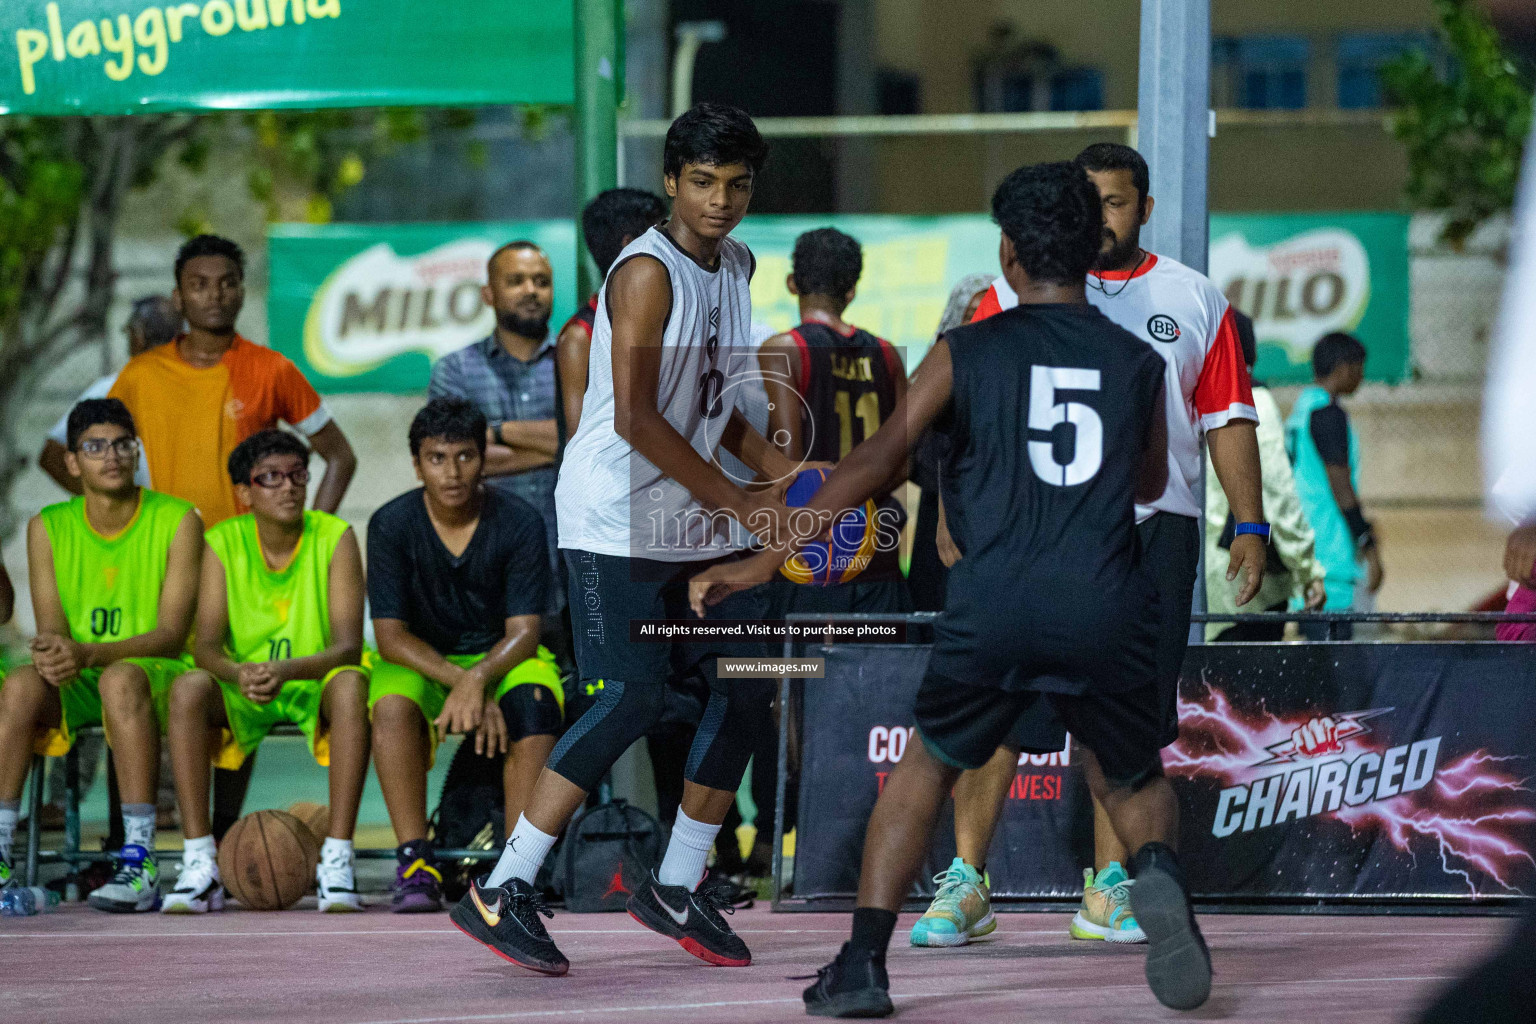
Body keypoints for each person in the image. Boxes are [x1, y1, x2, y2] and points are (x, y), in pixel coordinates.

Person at [691, 161, 1211, 1016]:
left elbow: (873, 462)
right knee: (1133, 772)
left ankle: (862, 964)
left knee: (927, 765)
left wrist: (760, 559)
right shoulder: (1133, 358)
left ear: (1008, 252)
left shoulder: (968, 348)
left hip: (997, 596)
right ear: (1091, 248)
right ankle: (1154, 877)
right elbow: (1151, 476)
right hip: (1103, 595)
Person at [449, 102, 796, 976]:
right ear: (673, 183)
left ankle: (678, 882)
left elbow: (711, 406)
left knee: (749, 681)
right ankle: (506, 884)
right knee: (634, 696)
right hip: (612, 514)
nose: (721, 200)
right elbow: (640, 417)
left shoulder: (740, 262)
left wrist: (779, 480)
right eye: (704, 183)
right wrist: (746, 503)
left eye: (738, 184)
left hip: (686, 512)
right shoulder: (646, 274)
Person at [917, 141, 1265, 948]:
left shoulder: (1194, 297)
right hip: (1028, 530)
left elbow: (1227, 418)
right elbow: (955, 420)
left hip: (1157, 526)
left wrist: (1248, 524)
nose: (1101, 215)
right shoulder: (1009, 296)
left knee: (1130, 721)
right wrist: (946, 516)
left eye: (1117, 201)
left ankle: (1109, 890)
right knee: (1002, 707)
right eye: (1088, 201)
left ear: (1144, 208)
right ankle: (966, 884)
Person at [0, 400, 202, 909]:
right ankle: (0, 854)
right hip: (84, 671)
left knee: (121, 679)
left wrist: (88, 653)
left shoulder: (178, 519)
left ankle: (139, 860)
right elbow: (52, 632)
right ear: (71, 463)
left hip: (156, 673)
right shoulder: (47, 526)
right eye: (94, 447)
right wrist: (56, 656)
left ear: (136, 454)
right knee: (22, 684)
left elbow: (173, 634)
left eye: (121, 445)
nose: (110, 456)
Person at [161, 431, 370, 914]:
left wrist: (286, 669)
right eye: (271, 478)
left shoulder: (334, 536)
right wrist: (238, 674)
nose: (289, 487)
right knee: (189, 687)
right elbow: (207, 647)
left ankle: (337, 858)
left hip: (312, 679)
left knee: (352, 684)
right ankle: (200, 860)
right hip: (245, 684)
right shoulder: (221, 542)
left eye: (298, 475)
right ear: (244, 492)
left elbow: (347, 646)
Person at [367, 399, 563, 913]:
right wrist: (464, 681)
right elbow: (390, 637)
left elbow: (525, 631)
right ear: (416, 464)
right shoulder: (391, 525)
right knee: (390, 710)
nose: (451, 472)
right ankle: (415, 861)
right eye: (436, 458)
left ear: (484, 458)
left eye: (464, 456)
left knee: (536, 705)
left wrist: (478, 678)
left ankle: (519, 870)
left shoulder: (519, 521)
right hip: (424, 661)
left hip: (502, 658)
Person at [109, 235, 356, 527]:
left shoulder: (272, 369)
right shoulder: (141, 375)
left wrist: (309, 537)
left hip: (248, 558)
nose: (215, 295)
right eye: (199, 285)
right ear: (178, 298)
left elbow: (340, 456)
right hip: (169, 555)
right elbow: (96, 456)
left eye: (226, 283)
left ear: (241, 292)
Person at [429, 242, 562, 607]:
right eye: (516, 281)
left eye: (541, 281)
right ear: (488, 293)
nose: (531, 291)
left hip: (575, 557)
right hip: (489, 560)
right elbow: (452, 464)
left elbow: (597, 445)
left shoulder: (578, 360)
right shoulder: (455, 370)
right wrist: (562, 449)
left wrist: (497, 432)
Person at [1206, 311, 1327, 640]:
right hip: (1247, 584)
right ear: (1252, 352)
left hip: (1197, 579)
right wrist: (1307, 569)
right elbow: (1276, 492)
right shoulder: (1254, 401)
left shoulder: (1192, 399)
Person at [1285, 332, 1383, 641]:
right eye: (1358, 367)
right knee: (1333, 668)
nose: (1361, 376)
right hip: (1330, 559)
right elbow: (1341, 486)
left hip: (1307, 552)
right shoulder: (1328, 414)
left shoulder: (1301, 412)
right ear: (1341, 368)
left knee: (1315, 663)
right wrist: (1368, 544)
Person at [907, 274, 994, 613]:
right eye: (972, 310)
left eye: (988, 310)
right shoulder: (939, 362)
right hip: (939, 503)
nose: (980, 320)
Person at [557, 188, 670, 440]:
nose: (672, 245)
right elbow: (579, 437)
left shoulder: (666, 314)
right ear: (632, 245)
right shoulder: (580, 336)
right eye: (663, 234)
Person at [39, 296, 180, 494]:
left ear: (138, 338)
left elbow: (52, 456)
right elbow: (53, 456)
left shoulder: (112, 390)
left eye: (128, 333)